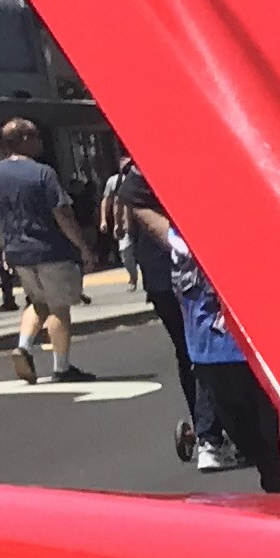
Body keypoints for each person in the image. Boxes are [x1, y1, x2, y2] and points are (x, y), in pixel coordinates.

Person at [153, 206, 280, 479]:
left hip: (248, 352)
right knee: (258, 447)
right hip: (212, 349)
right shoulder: (185, 231)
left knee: (274, 453)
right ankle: (211, 441)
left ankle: (213, 441)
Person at [0, 122, 91, 382]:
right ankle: (62, 368)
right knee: (59, 308)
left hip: (17, 251)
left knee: (36, 302)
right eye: (37, 136)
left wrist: (0, 244)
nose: (41, 141)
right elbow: (61, 212)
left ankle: (23, 347)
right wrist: (83, 246)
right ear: (24, 138)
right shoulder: (43, 173)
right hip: (51, 249)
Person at [109, 161, 203, 459]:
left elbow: (127, 213)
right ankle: (212, 427)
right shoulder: (144, 173)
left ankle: (206, 426)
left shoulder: (134, 178)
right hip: (178, 273)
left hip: (161, 272)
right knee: (198, 348)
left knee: (188, 350)